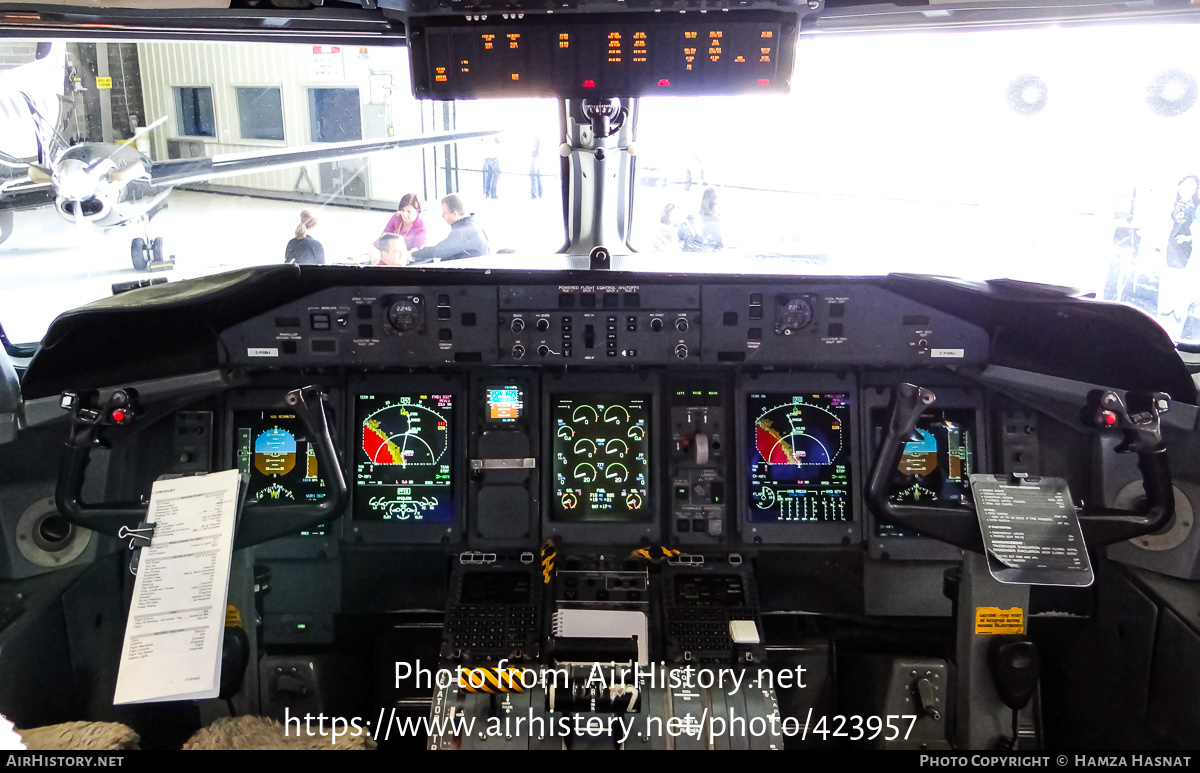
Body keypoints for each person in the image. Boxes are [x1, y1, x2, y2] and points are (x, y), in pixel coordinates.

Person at [408, 193, 489, 263]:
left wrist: (415, 253)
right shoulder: (471, 224)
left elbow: (439, 250)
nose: (442, 216)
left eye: (444, 213)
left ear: (454, 214)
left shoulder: (463, 231)